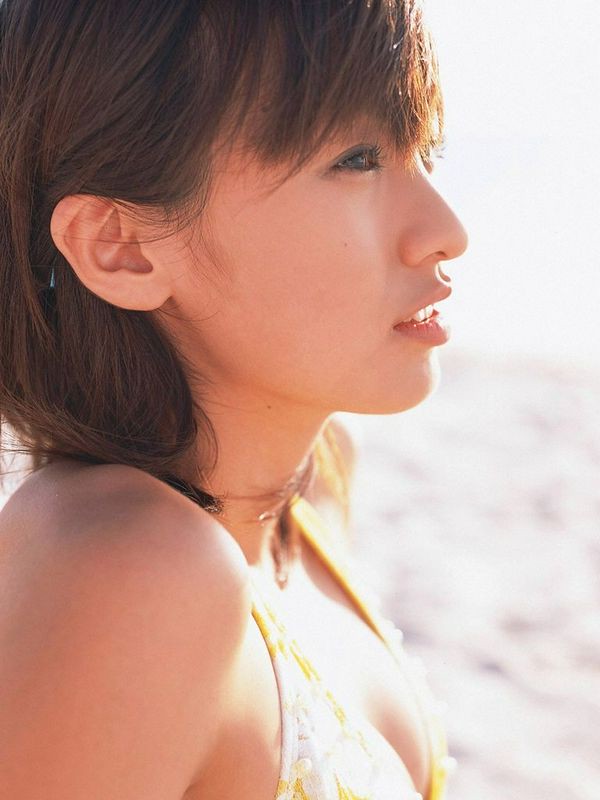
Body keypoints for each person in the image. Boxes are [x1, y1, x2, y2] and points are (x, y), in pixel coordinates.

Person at [0, 1, 468, 798]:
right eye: (357, 159)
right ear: (122, 246)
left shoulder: (305, 490)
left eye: (424, 150)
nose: (447, 230)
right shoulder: (125, 571)